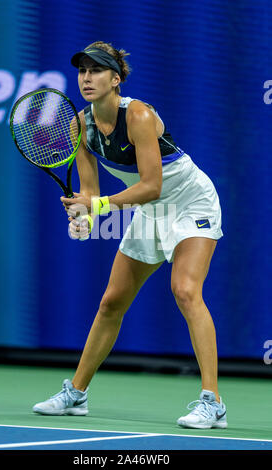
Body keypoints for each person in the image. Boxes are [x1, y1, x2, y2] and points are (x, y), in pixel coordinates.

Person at [33, 41, 227, 429]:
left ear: (115, 79)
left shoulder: (138, 114)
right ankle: (76, 393)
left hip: (190, 202)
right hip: (149, 211)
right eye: (82, 71)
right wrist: (83, 215)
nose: (86, 78)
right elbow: (89, 191)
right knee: (111, 302)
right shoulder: (81, 124)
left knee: (186, 291)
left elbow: (152, 186)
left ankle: (212, 402)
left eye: (96, 71)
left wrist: (100, 207)